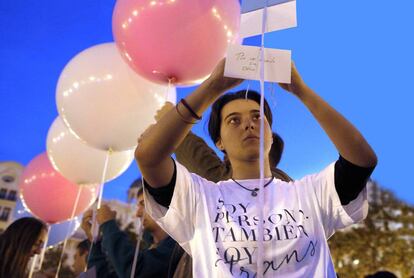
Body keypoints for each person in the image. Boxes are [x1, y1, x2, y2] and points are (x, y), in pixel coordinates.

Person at [135, 59, 377, 277]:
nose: (249, 125)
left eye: (257, 117)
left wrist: (302, 92)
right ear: (219, 142)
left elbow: (361, 160)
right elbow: (149, 157)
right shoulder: (199, 198)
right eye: (234, 121)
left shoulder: (311, 194)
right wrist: (211, 88)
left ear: (271, 136)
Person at [156, 102, 292, 183]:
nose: (248, 126)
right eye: (234, 121)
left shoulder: (237, 181)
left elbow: (211, 175)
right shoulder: (288, 186)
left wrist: (174, 123)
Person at [81, 187, 182, 278]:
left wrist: (108, 225)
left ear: (165, 205)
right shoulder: (147, 251)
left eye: (143, 204)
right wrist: (95, 241)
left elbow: (136, 272)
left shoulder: (178, 248)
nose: (138, 214)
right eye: (138, 206)